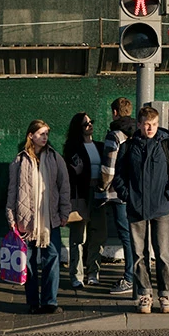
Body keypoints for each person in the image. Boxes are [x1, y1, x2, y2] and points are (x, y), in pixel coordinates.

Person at [112, 106, 169, 314]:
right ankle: (145, 294)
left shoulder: (167, 144)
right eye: (146, 124)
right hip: (136, 208)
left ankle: (165, 295)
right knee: (138, 254)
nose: (150, 128)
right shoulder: (128, 147)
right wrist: (128, 195)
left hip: (161, 208)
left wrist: (167, 195)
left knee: (163, 254)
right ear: (139, 124)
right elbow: (119, 176)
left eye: (154, 124)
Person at [7, 119, 72, 314]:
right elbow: (12, 191)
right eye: (41, 133)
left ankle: (50, 302)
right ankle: (33, 302)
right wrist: (11, 218)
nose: (45, 137)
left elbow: (64, 186)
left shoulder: (55, 158)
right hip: (26, 220)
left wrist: (64, 212)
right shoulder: (19, 160)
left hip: (49, 220)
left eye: (46, 134)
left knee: (52, 258)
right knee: (28, 262)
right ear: (31, 136)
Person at [99, 97, 138, 295]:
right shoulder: (138, 131)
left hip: (118, 192)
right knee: (134, 235)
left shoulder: (115, 135)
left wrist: (102, 187)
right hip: (136, 191)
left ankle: (130, 278)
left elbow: (109, 168)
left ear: (115, 112)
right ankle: (136, 275)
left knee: (126, 235)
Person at [63, 112, 102, 289]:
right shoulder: (73, 148)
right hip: (81, 195)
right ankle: (77, 275)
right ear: (78, 128)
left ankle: (93, 272)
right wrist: (76, 172)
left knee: (97, 235)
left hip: (99, 193)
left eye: (91, 122)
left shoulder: (100, 146)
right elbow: (68, 174)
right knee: (78, 237)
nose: (90, 125)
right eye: (85, 124)